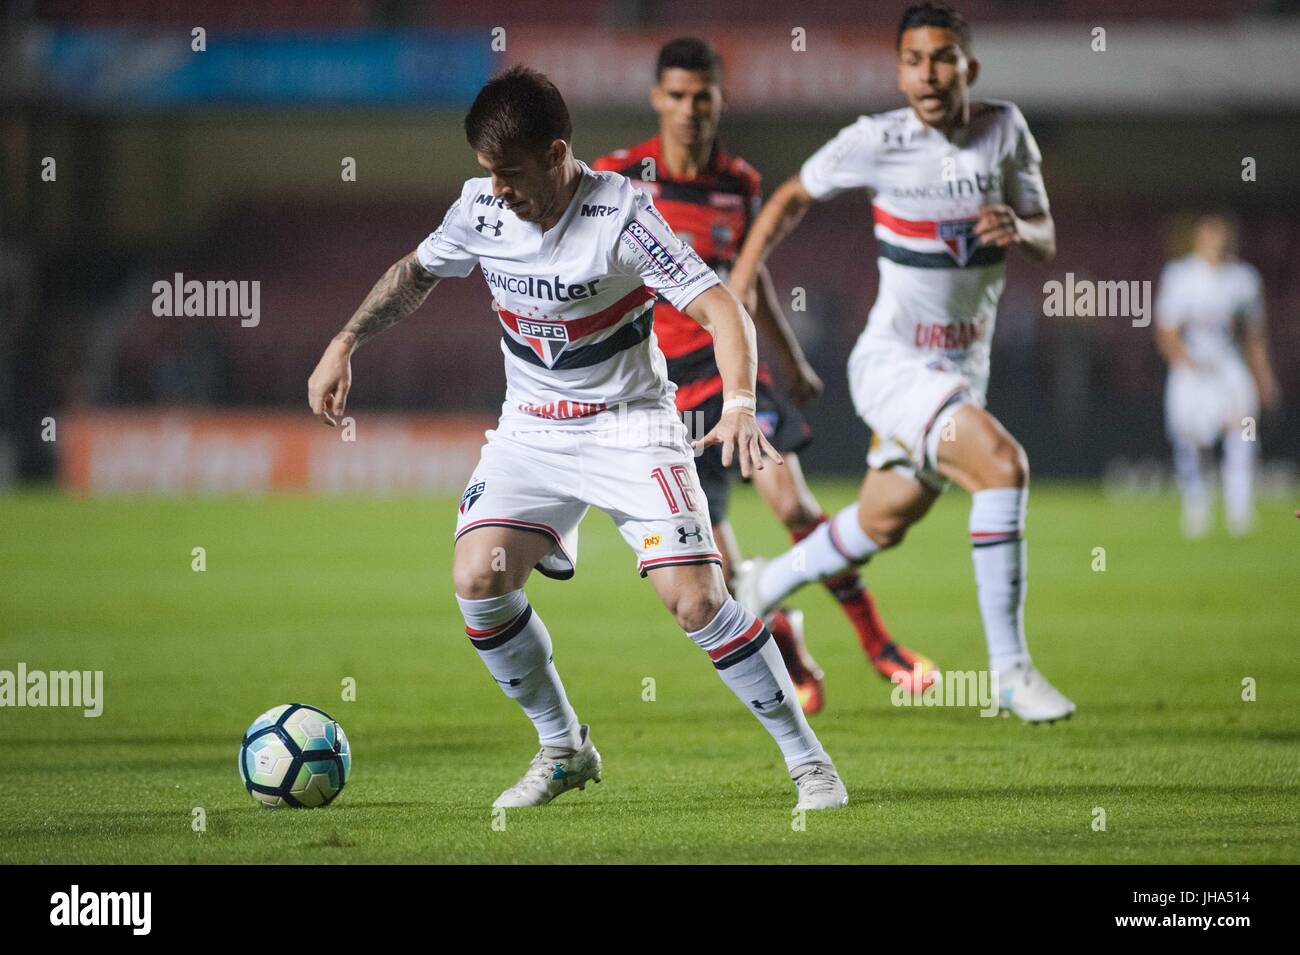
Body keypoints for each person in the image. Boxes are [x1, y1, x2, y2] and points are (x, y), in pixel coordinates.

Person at [307, 66, 847, 809]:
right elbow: (415, 272)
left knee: (695, 599)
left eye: (510, 172)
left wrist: (743, 402)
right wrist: (345, 340)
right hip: (531, 432)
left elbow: (725, 309)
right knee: (478, 579)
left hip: (633, 428)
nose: (496, 189)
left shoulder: (622, 218)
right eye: (486, 174)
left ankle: (811, 763)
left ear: (557, 153)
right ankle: (564, 747)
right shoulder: (480, 209)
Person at [728, 3, 1074, 722]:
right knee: (1003, 466)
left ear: (968, 69)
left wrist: (1019, 224)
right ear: (899, 71)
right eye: (914, 60)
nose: (928, 73)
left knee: (883, 521)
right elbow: (791, 196)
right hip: (892, 366)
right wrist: (740, 282)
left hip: (960, 370)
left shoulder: (1005, 129)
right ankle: (1009, 671)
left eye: (943, 57)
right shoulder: (875, 140)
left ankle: (765, 583)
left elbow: (1045, 235)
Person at [592, 38, 938, 715]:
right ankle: (788, 639)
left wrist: (791, 356)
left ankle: (878, 642)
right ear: (658, 98)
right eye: (679, 95)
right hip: (659, 394)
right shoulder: (616, 177)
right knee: (714, 573)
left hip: (729, 372)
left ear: (720, 99)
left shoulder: (740, 184)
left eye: (704, 96)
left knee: (795, 508)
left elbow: (752, 275)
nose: (691, 109)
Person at [1155, 213, 1280, 538]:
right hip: (1192, 368)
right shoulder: (1180, 276)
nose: (1217, 244)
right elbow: (1167, 331)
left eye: (1222, 237)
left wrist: (1263, 376)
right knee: (1191, 440)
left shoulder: (1244, 279)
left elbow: (1255, 335)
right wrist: (1186, 362)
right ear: (1198, 239)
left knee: (1244, 433)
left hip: (1228, 368)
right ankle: (1197, 509)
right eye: (1211, 236)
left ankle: (1240, 510)